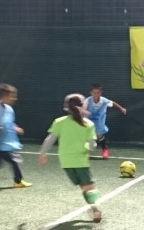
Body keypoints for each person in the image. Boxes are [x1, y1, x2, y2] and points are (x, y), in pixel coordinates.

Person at [38, 94, 103, 222]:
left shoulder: (59, 122)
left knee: (84, 187)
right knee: (90, 188)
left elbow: (49, 139)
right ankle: (96, 211)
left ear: (66, 107)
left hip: (65, 161)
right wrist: (89, 149)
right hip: (80, 160)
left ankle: (94, 209)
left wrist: (42, 153)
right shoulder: (88, 124)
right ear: (83, 105)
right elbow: (93, 144)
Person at [85, 83, 127, 159]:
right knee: (89, 137)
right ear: (91, 93)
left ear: (101, 93)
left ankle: (105, 150)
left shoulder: (104, 101)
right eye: (94, 93)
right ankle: (87, 152)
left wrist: (121, 108)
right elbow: (82, 108)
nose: (96, 94)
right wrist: (82, 112)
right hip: (89, 122)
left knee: (99, 135)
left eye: (98, 93)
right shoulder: (87, 100)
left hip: (99, 122)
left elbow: (113, 103)